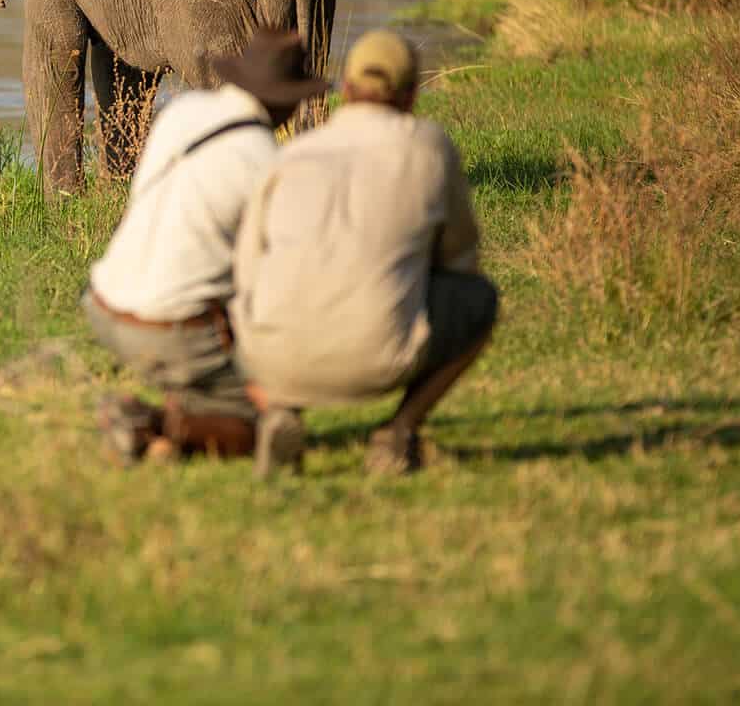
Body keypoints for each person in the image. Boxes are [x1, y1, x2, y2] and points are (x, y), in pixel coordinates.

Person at [232, 29, 499, 476]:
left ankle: (280, 412)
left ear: (346, 91)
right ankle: (398, 432)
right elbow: (461, 259)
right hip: (380, 355)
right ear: (412, 95)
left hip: (270, 357)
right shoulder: (430, 148)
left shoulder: (290, 155)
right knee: (479, 299)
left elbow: (245, 270)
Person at [84, 28, 328, 467]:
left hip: (104, 304)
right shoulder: (267, 163)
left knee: (216, 358)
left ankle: (172, 430)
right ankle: (149, 422)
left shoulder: (184, 112)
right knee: (267, 422)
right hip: (167, 330)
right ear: (287, 101)